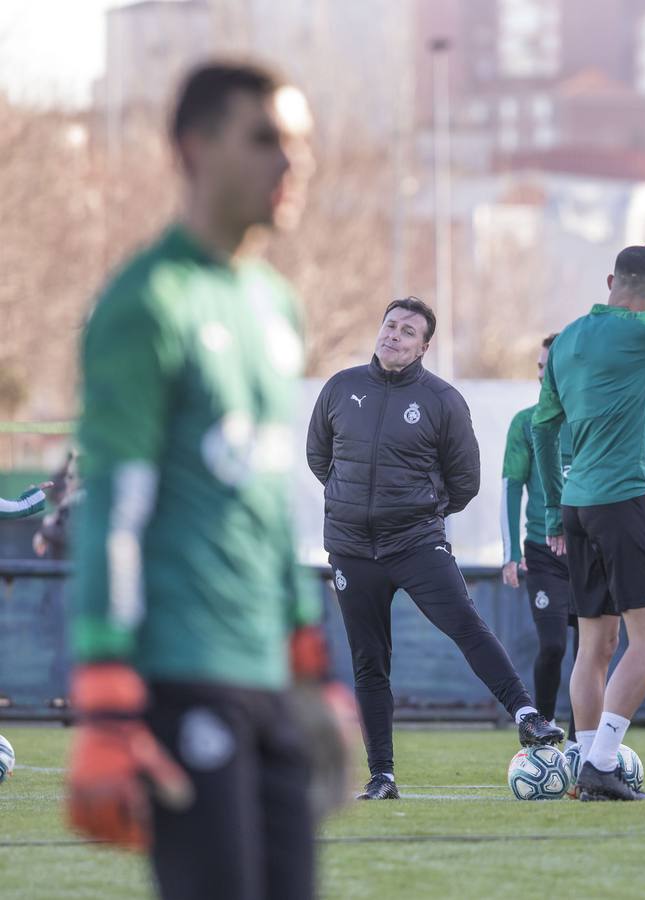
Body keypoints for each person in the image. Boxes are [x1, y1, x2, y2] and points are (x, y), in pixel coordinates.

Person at [66, 62, 347, 900]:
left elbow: (265, 502)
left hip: (267, 674)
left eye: (299, 141)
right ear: (193, 148)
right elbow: (112, 510)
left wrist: (306, 650)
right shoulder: (145, 302)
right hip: (181, 671)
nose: (291, 162)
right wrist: (107, 693)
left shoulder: (274, 305)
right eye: (265, 139)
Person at [307, 297, 563, 801]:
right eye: (390, 326)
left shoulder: (441, 399)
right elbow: (320, 458)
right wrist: (353, 503)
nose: (394, 336)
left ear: (424, 346)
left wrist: (419, 509)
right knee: (369, 660)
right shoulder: (341, 387)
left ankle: (527, 716)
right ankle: (382, 775)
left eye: (407, 332)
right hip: (351, 549)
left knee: (466, 625)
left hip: (417, 542)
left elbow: (464, 480)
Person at [532, 238, 645, 801]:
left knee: (595, 645)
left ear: (609, 282)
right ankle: (602, 764)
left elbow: (544, 430)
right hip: (624, 499)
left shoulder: (565, 341)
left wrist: (552, 511)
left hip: (577, 505)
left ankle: (588, 766)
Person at [501, 333, 577, 735]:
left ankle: (587, 742)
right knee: (553, 645)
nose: (542, 373)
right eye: (539, 367)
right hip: (542, 553)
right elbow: (511, 487)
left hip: (588, 552)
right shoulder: (525, 422)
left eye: (548, 366)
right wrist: (511, 551)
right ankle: (542, 728)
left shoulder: (588, 418)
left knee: (594, 650)